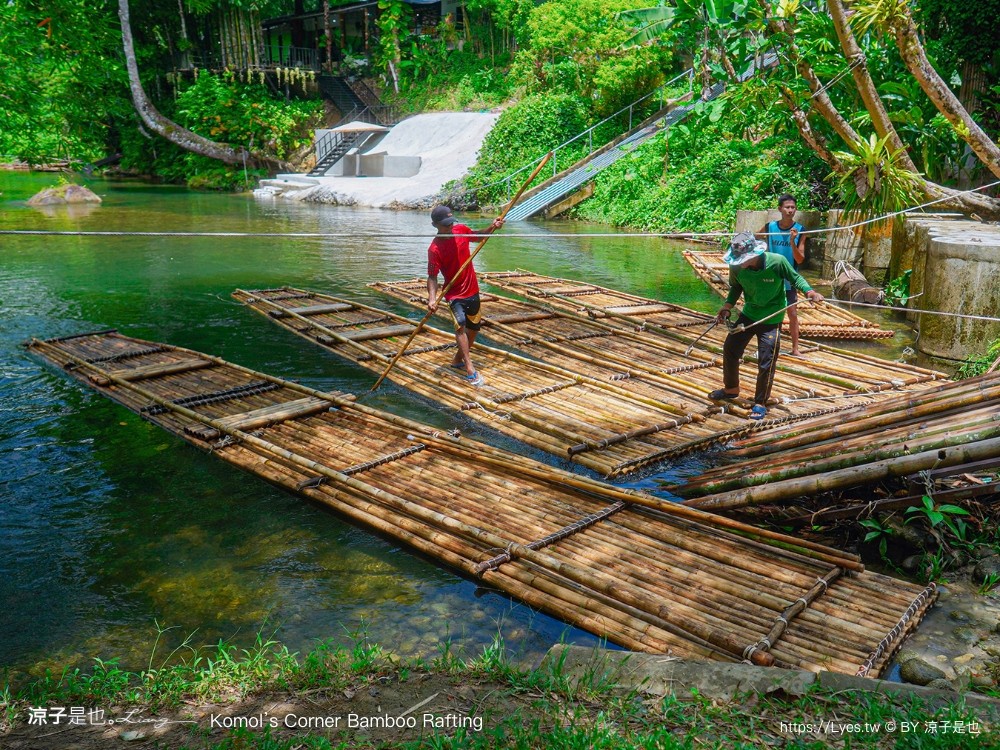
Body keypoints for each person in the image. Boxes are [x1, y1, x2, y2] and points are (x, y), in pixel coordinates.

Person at [708, 232, 824, 420]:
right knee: (730, 348)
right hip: (749, 314)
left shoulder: (777, 262)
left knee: (766, 360)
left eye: (742, 259)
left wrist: (810, 292)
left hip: (771, 317)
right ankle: (731, 389)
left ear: (754, 255)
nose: (739, 262)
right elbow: (736, 287)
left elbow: (795, 278)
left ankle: (760, 402)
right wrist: (727, 307)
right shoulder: (737, 268)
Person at [427, 204, 503, 387]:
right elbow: (432, 277)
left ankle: (457, 360)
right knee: (460, 326)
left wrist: (493, 227)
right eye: (445, 225)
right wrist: (432, 298)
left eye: (451, 223)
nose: (450, 227)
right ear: (435, 225)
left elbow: (477, 235)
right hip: (453, 294)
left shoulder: (460, 230)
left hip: (472, 289)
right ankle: (470, 369)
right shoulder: (434, 249)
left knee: (474, 329)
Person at [756, 194, 807, 356]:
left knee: (792, 313)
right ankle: (764, 348)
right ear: (780, 209)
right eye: (787, 207)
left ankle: (795, 349)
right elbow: (755, 238)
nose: (790, 210)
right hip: (770, 278)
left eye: (793, 207)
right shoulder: (770, 227)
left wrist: (792, 241)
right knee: (767, 312)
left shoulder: (800, 230)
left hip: (789, 279)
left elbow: (799, 259)